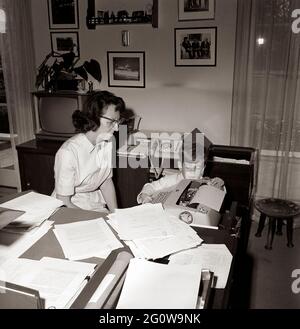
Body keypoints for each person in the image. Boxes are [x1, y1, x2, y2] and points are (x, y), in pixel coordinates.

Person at [53, 91, 125, 213]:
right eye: (111, 122)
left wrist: (116, 214)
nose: (117, 128)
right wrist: (94, 218)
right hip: (70, 207)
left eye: (117, 122)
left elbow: (106, 182)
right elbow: (64, 201)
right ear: (94, 117)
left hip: (95, 202)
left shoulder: (107, 142)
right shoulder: (68, 152)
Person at [137, 141, 224, 204]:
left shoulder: (205, 182)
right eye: (188, 168)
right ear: (180, 166)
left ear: (203, 169)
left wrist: (220, 186)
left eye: (197, 168)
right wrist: (145, 194)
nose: (192, 172)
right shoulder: (173, 180)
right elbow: (151, 186)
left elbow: (218, 198)